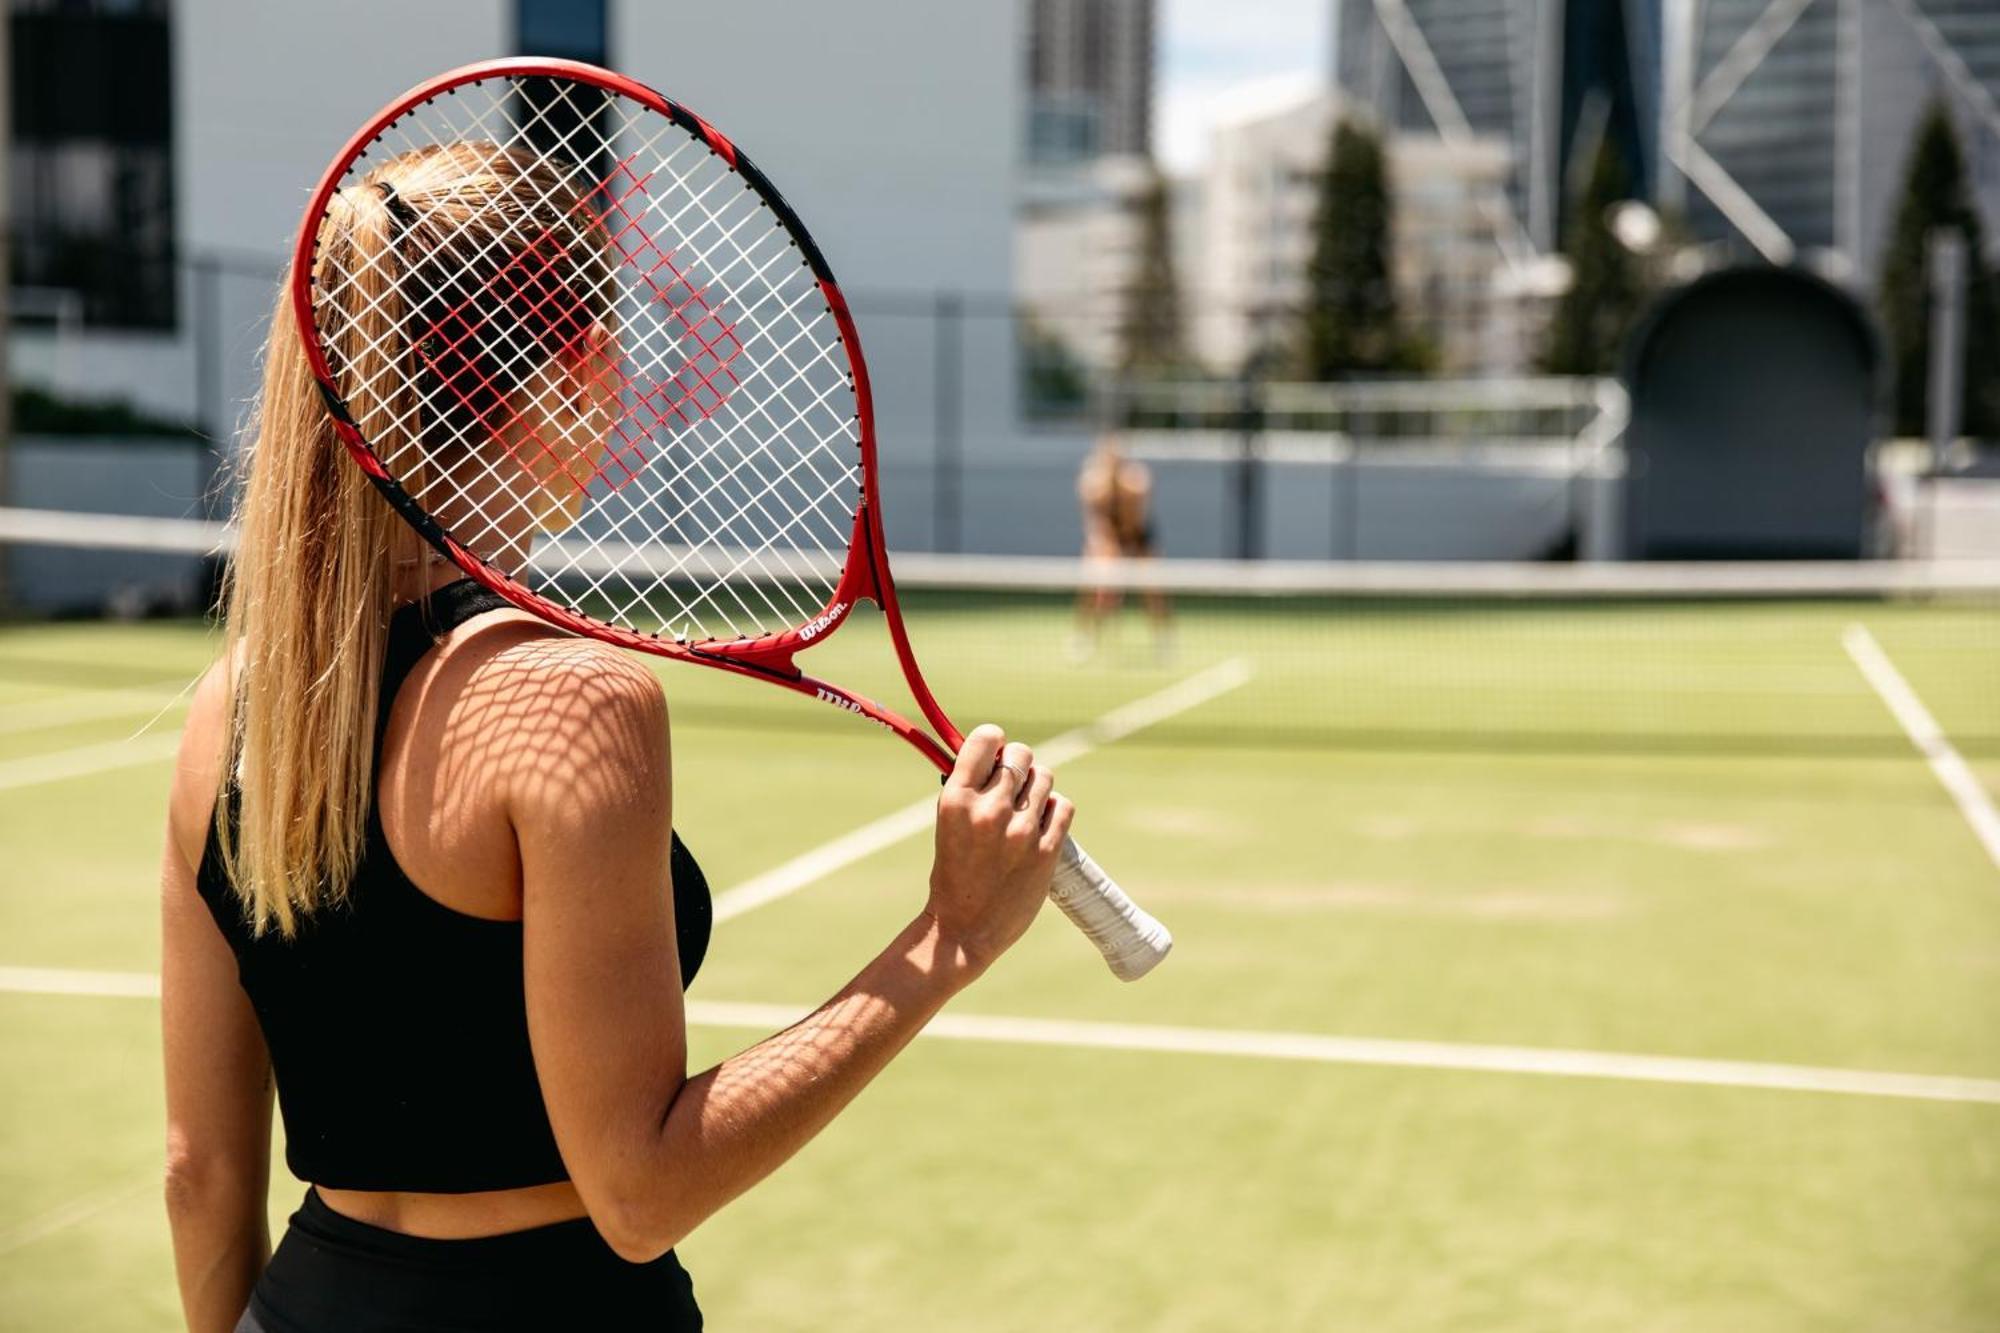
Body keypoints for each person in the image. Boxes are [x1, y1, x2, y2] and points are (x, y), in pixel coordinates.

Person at [161, 143, 1073, 1332]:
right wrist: (949, 938)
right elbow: (638, 1193)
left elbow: (199, 1172)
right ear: (579, 368)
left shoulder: (229, 710)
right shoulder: (573, 705)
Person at [1074, 432, 1171, 659]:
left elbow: (1134, 520)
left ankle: (1163, 639)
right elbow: (1095, 524)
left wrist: (1125, 551)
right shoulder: (1092, 484)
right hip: (1105, 537)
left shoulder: (1136, 482)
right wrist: (1106, 551)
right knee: (1092, 584)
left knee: (1153, 588)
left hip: (1136, 536)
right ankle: (1085, 636)